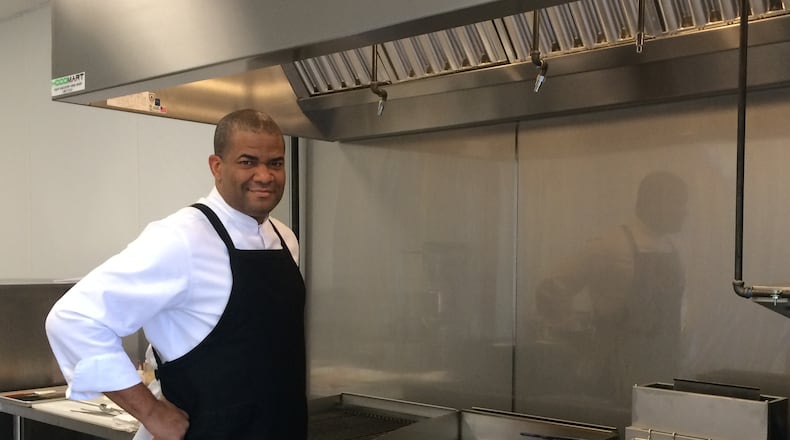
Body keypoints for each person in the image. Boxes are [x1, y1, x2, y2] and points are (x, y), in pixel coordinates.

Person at [45, 109, 306, 440]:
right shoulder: (181, 239)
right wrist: (151, 412)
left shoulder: (284, 239)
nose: (264, 175)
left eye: (275, 163)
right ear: (217, 166)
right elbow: (72, 319)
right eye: (247, 161)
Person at [532, 171, 688, 414]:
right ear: (651, 203)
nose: (684, 211)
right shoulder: (610, 245)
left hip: (664, 372)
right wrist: (578, 336)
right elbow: (550, 290)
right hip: (615, 376)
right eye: (677, 203)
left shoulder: (672, 247)